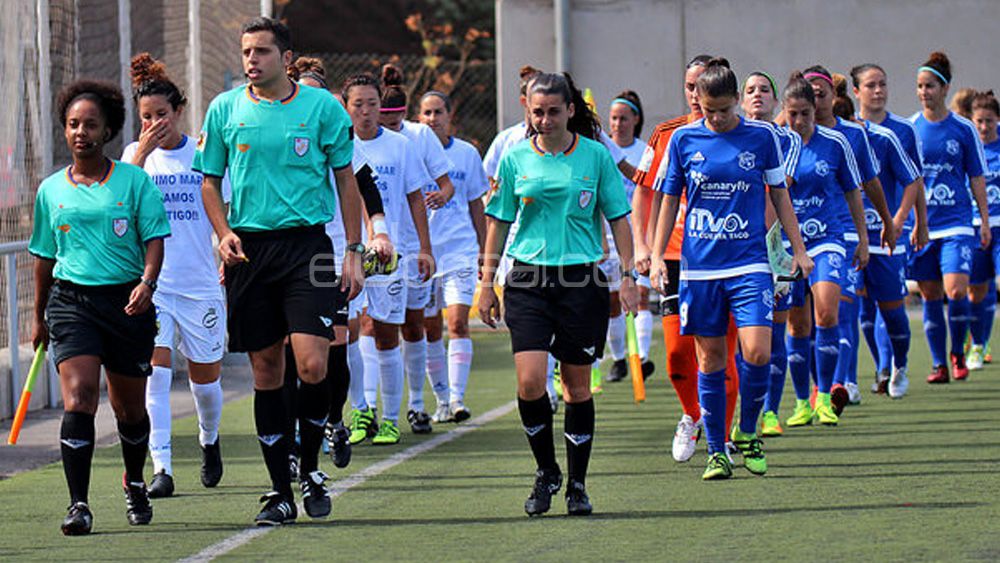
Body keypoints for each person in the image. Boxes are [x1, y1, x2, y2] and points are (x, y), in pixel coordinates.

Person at [193, 17, 364, 525]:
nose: (251, 60)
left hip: (308, 247)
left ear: (286, 59)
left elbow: (346, 182)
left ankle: (309, 465)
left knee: (312, 364)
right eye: (247, 51)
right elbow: (209, 182)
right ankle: (278, 491)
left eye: (262, 51)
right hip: (250, 250)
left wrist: (353, 249)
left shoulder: (322, 110)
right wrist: (223, 232)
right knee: (267, 370)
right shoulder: (225, 110)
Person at [479, 72, 637, 516]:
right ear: (527, 113)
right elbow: (498, 222)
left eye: (553, 111)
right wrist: (486, 283)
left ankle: (578, 484)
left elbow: (619, 219)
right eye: (537, 112)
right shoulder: (514, 160)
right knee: (530, 382)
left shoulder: (594, 157)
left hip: (581, 281)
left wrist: (628, 276)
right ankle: (546, 470)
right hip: (527, 279)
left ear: (570, 110)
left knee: (576, 387)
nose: (545, 120)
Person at [649, 59, 812, 480]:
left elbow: (779, 196)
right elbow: (668, 200)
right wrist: (652, 256)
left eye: (724, 109)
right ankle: (717, 451)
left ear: (737, 100)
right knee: (711, 360)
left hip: (750, 263)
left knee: (757, 351)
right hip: (700, 268)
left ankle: (748, 431)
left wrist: (798, 249)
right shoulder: (683, 139)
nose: (717, 118)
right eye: (709, 110)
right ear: (697, 102)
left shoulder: (761, 138)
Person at [30, 79, 170, 534]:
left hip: (127, 302)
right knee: (80, 397)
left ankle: (134, 482)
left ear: (107, 129)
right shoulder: (51, 190)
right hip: (72, 304)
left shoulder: (134, 181)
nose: (80, 132)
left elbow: (153, 239)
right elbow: (44, 257)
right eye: (72, 124)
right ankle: (79, 504)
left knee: (130, 410)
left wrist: (148, 283)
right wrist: (39, 315)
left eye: (90, 124)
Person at [121, 53, 225, 499]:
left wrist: (226, 248)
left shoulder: (203, 154)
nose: (155, 123)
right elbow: (119, 206)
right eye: (146, 117)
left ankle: (209, 439)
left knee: (206, 384)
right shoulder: (133, 158)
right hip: (154, 285)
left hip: (201, 282)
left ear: (178, 111)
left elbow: (226, 209)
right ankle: (161, 466)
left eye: (161, 115)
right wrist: (141, 153)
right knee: (156, 376)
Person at [286, 56, 394, 470]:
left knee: (335, 344)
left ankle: (333, 420)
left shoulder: (338, 138)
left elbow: (366, 189)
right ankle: (296, 440)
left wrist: (377, 232)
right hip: (284, 257)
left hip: (333, 255)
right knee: (291, 350)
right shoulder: (278, 136)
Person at [632, 54, 742, 463]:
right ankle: (692, 415)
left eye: (702, 86)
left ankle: (723, 436)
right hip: (677, 259)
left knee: (720, 354)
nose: (695, 95)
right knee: (678, 354)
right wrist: (646, 248)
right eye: (689, 86)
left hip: (727, 258)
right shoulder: (668, 135)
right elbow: (644, 192)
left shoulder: (742, 134)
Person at [345, 71, 435, 446]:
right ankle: (361, 409)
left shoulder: (400, 145)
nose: (366, 112)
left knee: (384, 332)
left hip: (387, 253)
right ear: (345, 108)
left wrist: (425, 249)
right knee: (350, 332)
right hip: (345, 252)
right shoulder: (336, 147)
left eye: (372, 104)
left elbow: (415, 196)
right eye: (358, 105)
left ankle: (390, 418)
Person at [804, 65, 895, 416]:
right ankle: (813, 389)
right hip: (797, 239)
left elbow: (869, 184)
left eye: (821, 92)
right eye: (808, 93)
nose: (815, 99)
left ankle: (842, 383)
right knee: (804, 323)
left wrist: (884, 221)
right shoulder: (786, 134)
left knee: (839, 309)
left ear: (833, 97)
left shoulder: (851, 137)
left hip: (838, 235)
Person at [780, 72, 869, 429]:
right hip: (788, 243)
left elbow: (852, 191)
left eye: (805, 113)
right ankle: (802, 402)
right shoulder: (777, 144)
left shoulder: (835, 143)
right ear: (785, 113)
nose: (799, 121)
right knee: (797, 325)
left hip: (829, 238)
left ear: (816, 111)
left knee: (827, 314)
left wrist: (862, 238)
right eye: (793, 114)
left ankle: (825, 396)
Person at [909, 51, 990, 384]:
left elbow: (976, 177)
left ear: (944, 89)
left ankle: (958, 351)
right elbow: (907, 180)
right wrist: (910, 221)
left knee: (956, 291)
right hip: (923, 225)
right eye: (919, 86)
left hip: (957, 221)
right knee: (929, 294)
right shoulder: (911, 128)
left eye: (930, 86)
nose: (924, 92)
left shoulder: (964, 129)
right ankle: (939, 363)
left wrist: (983, 220)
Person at [377, 64, 449, 435]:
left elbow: (443, 184)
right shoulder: (359, 138)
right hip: (375, 250)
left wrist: (425, 243)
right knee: (373, 328)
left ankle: (417, 405)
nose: (386, 129)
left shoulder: (418, 137)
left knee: (414, 324)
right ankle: (371, 410)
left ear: (403, 115)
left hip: (411, 247)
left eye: (392, 122)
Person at [850, 63, 930, 393]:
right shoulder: (846, 130)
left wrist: (911, 222)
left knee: (892, 308)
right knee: (857, 308)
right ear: (856, 92)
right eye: (871, 85)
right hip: (853, 235)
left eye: (883, 83)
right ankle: (865, 374)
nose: (878, 90)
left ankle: (900, 364)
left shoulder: (903, 130)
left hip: (889, 234)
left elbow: (915, 180)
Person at [417, 90, 488, 422]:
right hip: (423, 254)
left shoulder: (467, 154)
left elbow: (476, 202)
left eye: (438, 112)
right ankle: (441, 399)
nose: (432, 119)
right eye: (426, 113)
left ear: (450, 116)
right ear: (419, 118)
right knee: (430, 329)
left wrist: (484, 251)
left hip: (460, 249)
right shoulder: (410, 151)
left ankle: (458, 400)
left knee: (458, 323)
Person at [740, 70, 800, 437]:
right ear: (740, 100)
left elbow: (779, 194)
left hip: (773, 249)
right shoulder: (729, 137)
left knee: (775, 332)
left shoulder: (786, 140)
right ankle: (736, 413)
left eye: (764, 89)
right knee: (739, 337)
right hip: (732, 251)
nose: (758, 95)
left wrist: (755, 236)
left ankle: (771, 411)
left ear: (776, 101)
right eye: (750, 90)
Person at [602, 90, 655, 384]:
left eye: (624, 118)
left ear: (635, 119)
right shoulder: (601, 151)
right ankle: (620, 359)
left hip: (640, 235)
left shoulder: (645, 151)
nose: (618, 123)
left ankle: (642, 359)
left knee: (643, 296)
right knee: (614, 302)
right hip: (609, 237)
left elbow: (649, 189)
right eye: (613, 118)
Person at [966, 91, 1000, 369]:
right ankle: (977, 344)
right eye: (980, 121)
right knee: (977, 291)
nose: (985, 127)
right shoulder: (967, 146)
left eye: (989, 121)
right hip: (975, 228)